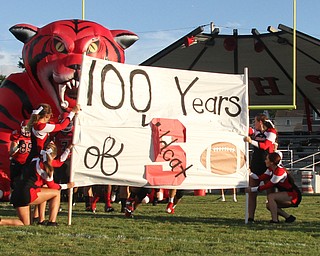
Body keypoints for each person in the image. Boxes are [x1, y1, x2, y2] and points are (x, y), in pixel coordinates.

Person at [0, 142, 74, 226]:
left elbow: (58, 162)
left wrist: (68, 149)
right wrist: (67, 186)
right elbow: (53, 186)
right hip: (27, 193)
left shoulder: (35, 159)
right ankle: (52, 222)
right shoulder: (45, 167)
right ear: (53, 156)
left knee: (25, 223)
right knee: (56, 193)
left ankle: (1, 221)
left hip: (17, 192)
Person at [246, 152, 302, 223]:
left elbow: (269, 185)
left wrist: (251, 189)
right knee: (269, 205)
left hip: (294, 195)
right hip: (287, 193)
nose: (265, 161)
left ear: (272, 162)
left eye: (266, 159)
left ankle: (274, 220)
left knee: (271, 196)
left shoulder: (279, 171)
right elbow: (259, 178)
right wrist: (250, 173)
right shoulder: (270, 169)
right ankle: (288, 217)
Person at [243, 113, 277, 222]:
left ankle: (274, 218)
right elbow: (245, 129)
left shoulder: (271, 132)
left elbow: (265, 146)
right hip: (256, 164)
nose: (254, 124)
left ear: (260, 122)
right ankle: (250, 217)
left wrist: (251, 141)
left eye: (255, 122)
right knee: (251, 192)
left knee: (270, 193)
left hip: (267, 165)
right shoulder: (256, 131)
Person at [9, 120, 32, 190]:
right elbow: (11, 152)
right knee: (14, 181)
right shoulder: (17, 136)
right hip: (17, 161)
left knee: (27, 181)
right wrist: (18, 146)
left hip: (28, 162)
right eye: (25, 128)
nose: (27, 130)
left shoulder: (34, 136)